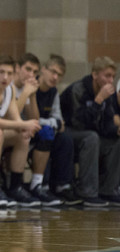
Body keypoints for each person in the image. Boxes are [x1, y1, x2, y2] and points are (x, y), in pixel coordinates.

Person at [13, 53, 79, 205]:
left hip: (37, 129)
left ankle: (62, 185)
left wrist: (50, 122)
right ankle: (39, 184)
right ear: (44, 70)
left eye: (59, 75)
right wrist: (50, 122)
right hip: (25, 130)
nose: (55, 77)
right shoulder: (26, 86)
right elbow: (26, 118)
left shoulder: (53, 92)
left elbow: (59, 121)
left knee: (65, 138)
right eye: (53, 72)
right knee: (47, 132)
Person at [0, 55, 42, 207]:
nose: (5, 77)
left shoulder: (10, 89)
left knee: (23, 136)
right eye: (1, 72)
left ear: (14, 74)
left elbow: (15, 118)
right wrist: (23, 125)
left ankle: (16, 186)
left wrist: (25, 127)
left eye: (9, 73)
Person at [61, 56, 120, 206]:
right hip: (67, 134)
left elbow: (106, 125)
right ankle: (87, 191)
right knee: (92, 137)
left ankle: (108, 189)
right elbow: (78, 122)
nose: (110, 81)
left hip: (91, 135)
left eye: (113, 77)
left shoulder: (107, 94)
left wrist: (116, 130)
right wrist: (98, 101)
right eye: (107, 76)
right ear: (95, 75)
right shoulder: (78, 89)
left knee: (116, 141)